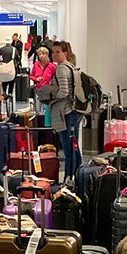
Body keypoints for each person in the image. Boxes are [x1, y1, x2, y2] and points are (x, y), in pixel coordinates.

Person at [36, 40, 85, 178]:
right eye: (53, 52)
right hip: (76, 111)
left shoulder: (61, 68)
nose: (54, 55)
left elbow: (63, 92)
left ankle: (69, 178)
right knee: (75, 147)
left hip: (66, 113)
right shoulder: (71, 66)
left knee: (68, 150)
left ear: (65, 53)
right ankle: (78, 176)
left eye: (58, 52)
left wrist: (51, 94)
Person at [30, 46, 56, 127]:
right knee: (37, 110)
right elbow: (31, 75)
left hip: (48, 92)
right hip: (38, 90)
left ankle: (47, 127)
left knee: (47, 110)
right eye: (39, 54)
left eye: (43, 54)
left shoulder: (51, 66)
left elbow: (55, 77)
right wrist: (36, 79)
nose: (41, 56)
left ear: (47, 55)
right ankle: (39, 127)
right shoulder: (36, 65)